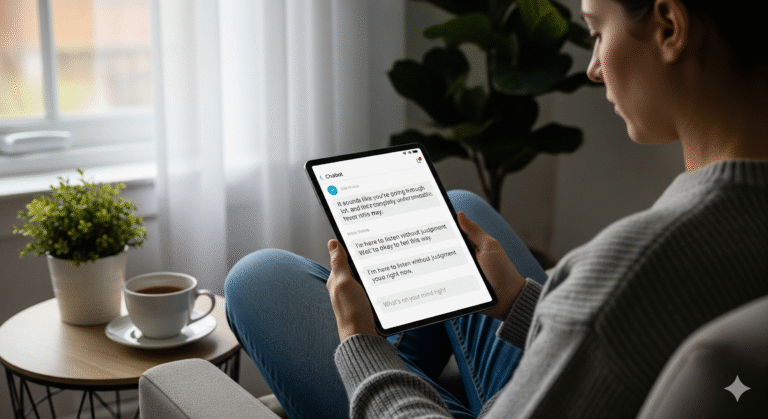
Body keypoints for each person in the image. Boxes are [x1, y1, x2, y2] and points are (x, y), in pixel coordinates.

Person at [224, 0, 768, 417]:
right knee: (459, 211)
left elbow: (611, 317)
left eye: (597, 32)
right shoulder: (714, 234)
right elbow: (634, 342)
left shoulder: (629, 269)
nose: (594, 67)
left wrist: (362, 347)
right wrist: (517, 302)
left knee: (257, 279)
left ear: (670, 27)